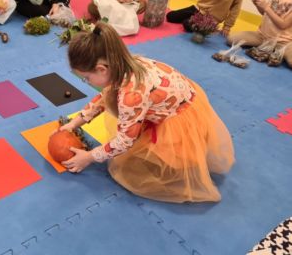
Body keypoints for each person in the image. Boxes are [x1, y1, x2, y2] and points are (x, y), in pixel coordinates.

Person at [60, 21, 234, 203]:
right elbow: (105, 97)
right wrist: (75, 123)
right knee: (131, 126)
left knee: (153, 165)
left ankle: (182, 158)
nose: (87, 82)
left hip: (179, 117)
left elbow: (124, 141)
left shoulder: (131, 95)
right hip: (179, 97)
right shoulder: (123, 64)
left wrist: (89, 157)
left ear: (102, 69)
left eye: (86, 78)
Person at [227, 0, 292, 68]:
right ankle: (270, 50)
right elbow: (266, 14)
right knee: (231, 39)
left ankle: (275, 50)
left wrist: (266, 7)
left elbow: (283, 25)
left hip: (284, 42)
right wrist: (259, 6)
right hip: (262, 36)